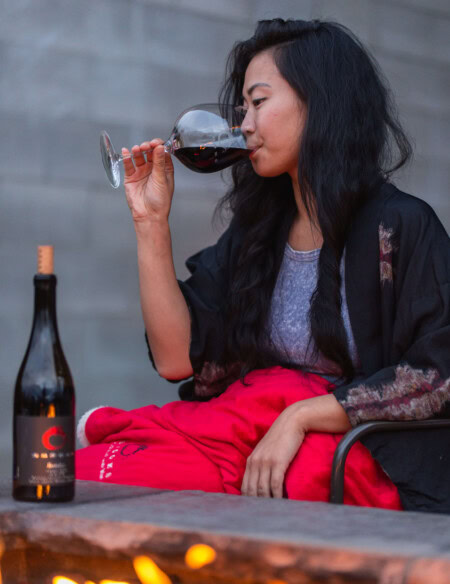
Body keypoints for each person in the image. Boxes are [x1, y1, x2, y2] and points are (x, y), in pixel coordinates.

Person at [76, 18, 450, 513]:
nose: (244, 125)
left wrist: (299, 416)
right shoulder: (260, 234)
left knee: (192, 486)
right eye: (243, 108)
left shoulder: (398, 227)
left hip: (344, 458)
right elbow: (176, 360)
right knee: (93, 474)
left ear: (320, 103)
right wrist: (150, 222)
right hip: (248, 442)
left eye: (258, 102)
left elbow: (436, 374)